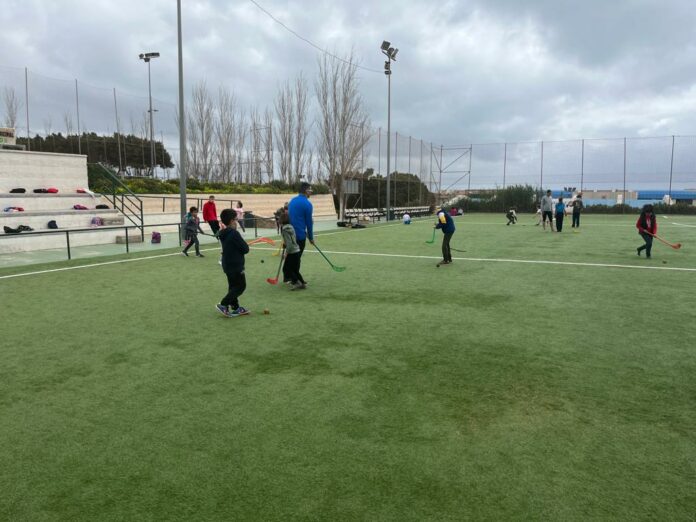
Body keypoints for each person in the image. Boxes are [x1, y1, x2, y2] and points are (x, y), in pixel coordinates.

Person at [216, 209, 250, 317]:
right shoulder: (234, 233)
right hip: (236, 265)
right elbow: (245, 249)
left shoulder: (223, 233)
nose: (237, 221)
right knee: (240, 286)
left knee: (233, 286)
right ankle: (223, 304)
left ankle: (235, 307)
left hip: (227, 264)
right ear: (231, 221)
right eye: (235, 219)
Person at [288, 182, 314, 282]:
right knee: (296, 259)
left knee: (291, 257)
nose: (311, 192)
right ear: (306, 191)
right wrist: (311, 237)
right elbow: (309, 223)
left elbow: (294, 218)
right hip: (299, 237)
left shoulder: (292, 201)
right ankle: (296, 280)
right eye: (310, 190)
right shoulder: (307, 204)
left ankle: (289, 277)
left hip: (289, 235)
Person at [280, 211, 306, 290]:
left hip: (292, 251)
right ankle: (302, 283)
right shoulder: (291, 227)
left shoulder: (284, 230)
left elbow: (289, 243)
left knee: (288, 269)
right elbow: (292, 239)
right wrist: (285, 244)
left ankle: (296, 282)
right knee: (295, 269)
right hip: (297, 250)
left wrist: (286, 253)